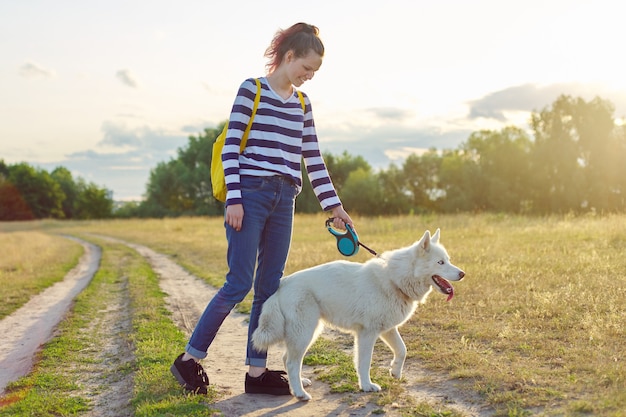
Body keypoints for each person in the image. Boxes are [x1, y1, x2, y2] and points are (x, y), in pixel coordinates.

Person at [170, 22, 354, 395]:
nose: (309, 77)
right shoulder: (251, 90)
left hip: (285, 197)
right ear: (289, 57)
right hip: (250, 194)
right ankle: (189, 360)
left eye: (315, 72)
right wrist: (234, 199)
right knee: (239, 282)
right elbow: (231, 147)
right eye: (307, 68)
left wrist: (334, 206)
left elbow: (312, 159)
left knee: (269, 287)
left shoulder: (303, 104)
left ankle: (256, 373)